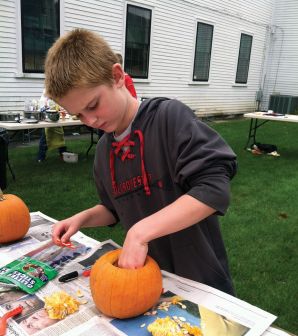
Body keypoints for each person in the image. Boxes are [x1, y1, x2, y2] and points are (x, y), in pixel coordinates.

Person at [45, 28, 237, 295]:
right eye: (79, 115)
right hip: (148, 280)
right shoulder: (103, 152)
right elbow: (115, 207)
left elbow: (213, 188)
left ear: (117, 77)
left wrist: (140, 232)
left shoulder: (168, 118)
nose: (91, 121)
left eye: (93, 106)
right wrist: (83, 218)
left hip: (200, 279)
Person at [37, 90, 67, 162]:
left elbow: (59, 107)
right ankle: (41, 157)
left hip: (56, 119)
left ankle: (63, 154)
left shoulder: (57, 97)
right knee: (45, 138)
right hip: (47, 120)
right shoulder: (44, 98)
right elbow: (42, 108)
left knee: (60, 136)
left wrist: (60, 109)